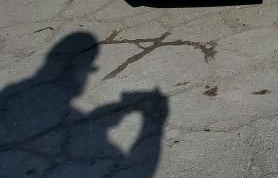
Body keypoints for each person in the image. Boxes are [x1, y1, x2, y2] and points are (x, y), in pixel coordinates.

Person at [0, 32, 168, 177]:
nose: (86, 77)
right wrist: (154, 120)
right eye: (87, 68)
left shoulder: (14, 93)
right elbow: (142, 171)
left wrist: (114, 115)